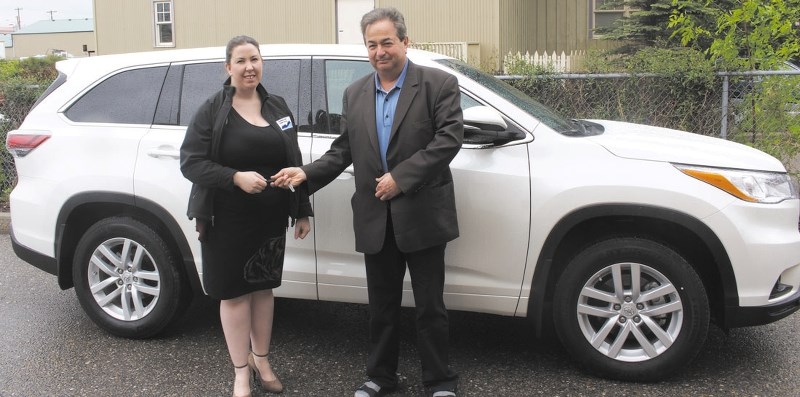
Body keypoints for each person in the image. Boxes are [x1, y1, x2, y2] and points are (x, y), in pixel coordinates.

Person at [271, 7, 462, 397]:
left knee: (430, 306)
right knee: (381, 307)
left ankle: (440, 381)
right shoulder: (355, 93)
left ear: (405, 42)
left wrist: (400, 178)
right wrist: (307, 173)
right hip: (377, 218)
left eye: (387, 42)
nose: (379, 51)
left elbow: (448, 140)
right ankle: (381, 377)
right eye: (372, 45)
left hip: (423, 215)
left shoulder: (438, 84)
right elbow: (344, 150)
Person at [180, 35, 312, 397]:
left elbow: (294, 161)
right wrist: (233, 177)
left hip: (269, 218)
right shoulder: (213, 109)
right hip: (226, 219)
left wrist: (302, 210)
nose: (249, 66)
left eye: (254, 59)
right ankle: (241, 371)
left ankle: (262, 359)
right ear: (228, 68)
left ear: (262, 63)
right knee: (235, 295)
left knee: (263, 289)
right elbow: (190, 162)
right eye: (241, 61)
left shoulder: (277, 107)